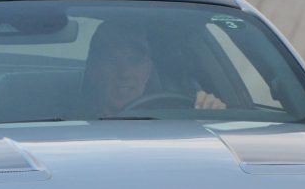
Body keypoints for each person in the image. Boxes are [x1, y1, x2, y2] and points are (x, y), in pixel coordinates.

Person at [80, 21, 225, 118]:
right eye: (112, 61)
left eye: (134, 61)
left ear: (148, 71)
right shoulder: (72, 125)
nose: (124, 73)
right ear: (94, 70)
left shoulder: (177, 121)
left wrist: (212, 117)